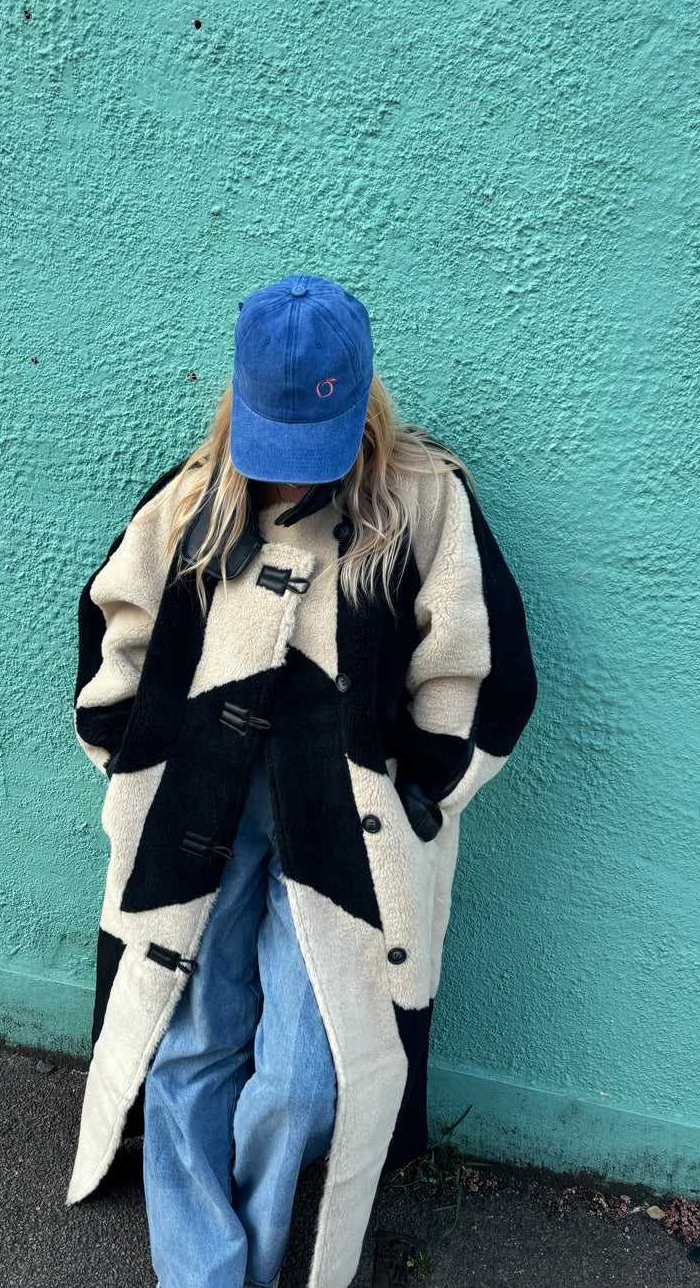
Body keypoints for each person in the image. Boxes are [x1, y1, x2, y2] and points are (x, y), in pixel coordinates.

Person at [65, 274, 538, 1288]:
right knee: (188, 1042)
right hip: (202, 818)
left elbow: (477, 671)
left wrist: (418, 791)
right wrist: (132, 759)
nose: (286, 472)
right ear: (236, 400)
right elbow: (117, 633)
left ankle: (263, 1233)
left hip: (343, 839)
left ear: (361, 397)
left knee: (302, 1072)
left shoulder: (424, 504)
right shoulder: (189, 501)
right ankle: (207, 1271)